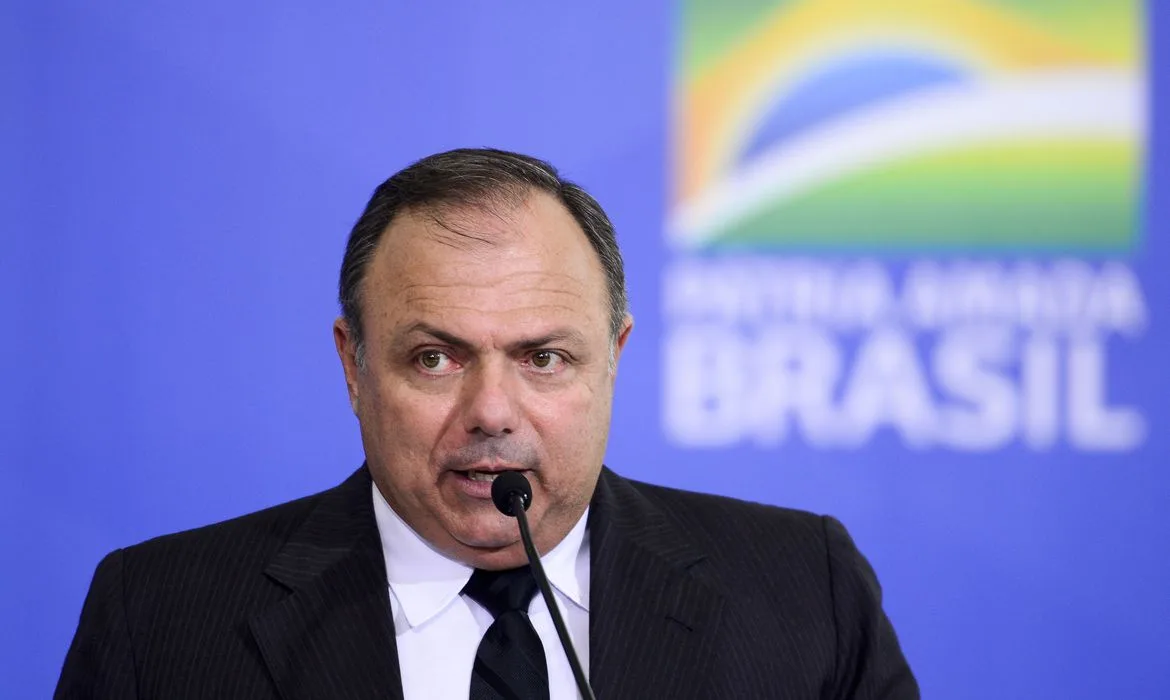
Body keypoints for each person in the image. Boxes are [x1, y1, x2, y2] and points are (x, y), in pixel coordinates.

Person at [55, 148, 919, 699]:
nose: (492, 412)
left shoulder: (806, 594)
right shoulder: (161, 619)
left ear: (613, 356)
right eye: (436, 358)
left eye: (545, 357)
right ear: (353, 366)